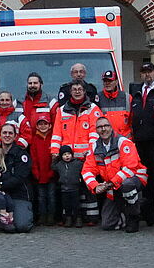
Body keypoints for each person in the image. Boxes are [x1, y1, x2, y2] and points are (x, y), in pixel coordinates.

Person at [84, 116, 146, 232]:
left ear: (111, 128)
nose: (103, 129)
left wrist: (112, 183)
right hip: (112, 186)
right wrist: (95, 186)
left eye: (106, 126)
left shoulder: (123, 142)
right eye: (100, 127)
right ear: (96, 130)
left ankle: (133, 216)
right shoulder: (94, 147)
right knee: (107, 224)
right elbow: (87, 170)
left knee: (127, 185)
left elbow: (130, 168)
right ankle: (125, 214)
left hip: (133, 179)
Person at [51, 80, 101, 224]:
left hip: (86, 158)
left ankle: (90, 217)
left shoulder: (93, 109)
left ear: (85, 91)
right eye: (74, 89)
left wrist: (90, 153)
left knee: (87, 188)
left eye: (80, 89)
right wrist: (55, 153)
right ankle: (68, 216)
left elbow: (95, 132)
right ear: (70, 92)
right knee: (67, 189)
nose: (77, 91)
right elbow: (56, 134)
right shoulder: (61, 110)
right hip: (67, 158)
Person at [130, 62, 154, 226]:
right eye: (144, 72)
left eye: (150, 72)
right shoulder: (136, 91)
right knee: (143, 177)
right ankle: (147, 213)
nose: (147, 75)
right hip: (139, 142)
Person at [0, 123, 33, 233]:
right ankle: (0, 221)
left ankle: (15, 217)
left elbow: (19, 179)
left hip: (19, 195)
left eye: (10, 133)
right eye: (4, 133)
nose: (7, 135)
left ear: (15, 136)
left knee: (22, 227)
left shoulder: (21, 155)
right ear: (0, 136)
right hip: (1, 196)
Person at [26, 113, 56, 226]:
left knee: (52, 197)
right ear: (37, 126)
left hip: (51, 175)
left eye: (45, 124)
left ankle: (51, 216)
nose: (43, 126)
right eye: (40, 124)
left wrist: (52, 172)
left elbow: (55, 158)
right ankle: (42, 216)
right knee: (41, 197)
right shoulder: (34, 140)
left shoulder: (53, 138)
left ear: (49, 125)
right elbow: (33, 158)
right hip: (39, 175)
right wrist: (35, 173)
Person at [52, 145, 83, 227]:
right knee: (66, 205)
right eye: (64, 154)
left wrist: (85, 156)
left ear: (72, 154)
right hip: (64, 189)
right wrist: (55, 159)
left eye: (68, 154)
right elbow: (53, 167)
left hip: (75, 188)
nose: (67, 156)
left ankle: (78, 219)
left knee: (76, 205)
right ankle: (68, 219)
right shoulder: (60, 165)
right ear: (61, 156)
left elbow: (84, 165)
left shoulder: (77, 163)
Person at [94, 71, 132, 137]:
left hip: (125, 140)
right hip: (105, 140)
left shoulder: (127, 97)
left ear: (116, 82)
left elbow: (133, 120)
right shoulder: (97, 98)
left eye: (110, 81)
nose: (107, 83)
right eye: (105, 81)